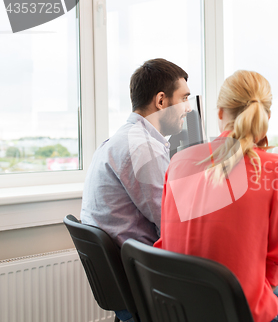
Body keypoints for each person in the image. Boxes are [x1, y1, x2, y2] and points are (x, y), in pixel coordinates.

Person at [154, 70, 278, 322]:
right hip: (240, 313)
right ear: (266, 117)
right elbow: (276, 258)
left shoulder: (178, 162)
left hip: (180, 308)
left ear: (219, 113)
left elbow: (166, 241)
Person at [80, 58, 190, 321]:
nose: (188, 108)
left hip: (129, 285)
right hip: (150, 288)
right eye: (184, 99)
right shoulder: (144, 148)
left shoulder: (121, 139)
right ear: (161, 101)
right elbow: (174, 226)